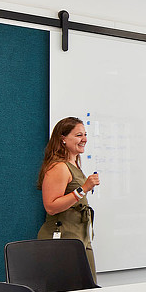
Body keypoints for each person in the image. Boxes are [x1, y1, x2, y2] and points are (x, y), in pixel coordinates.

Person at [37, 117, 101, 276]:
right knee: (70, 288)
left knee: (88, 286)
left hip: (81, 236)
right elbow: (51, 207)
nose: (84, 139)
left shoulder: (74, 165)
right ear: (63, 139)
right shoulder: (59, 167)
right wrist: (83, 189)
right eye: (79, 135)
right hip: (63, 237)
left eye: (85, 135)